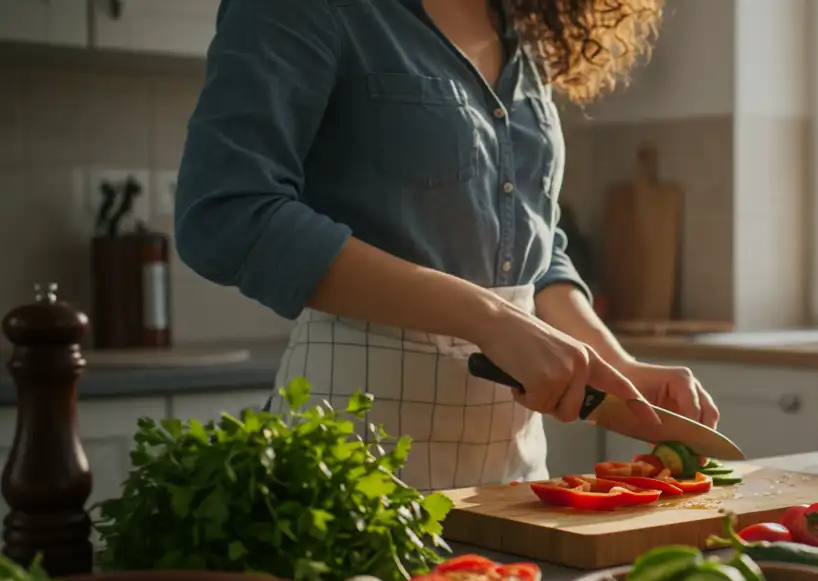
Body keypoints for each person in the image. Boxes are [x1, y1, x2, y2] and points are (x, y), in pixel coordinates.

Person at [174, 0, 719, 490]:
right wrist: (489, 321)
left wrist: (616, 372)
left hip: (512, 474)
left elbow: (534, 249)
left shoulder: (519, 29)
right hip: (351, 459)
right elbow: (227, 213)